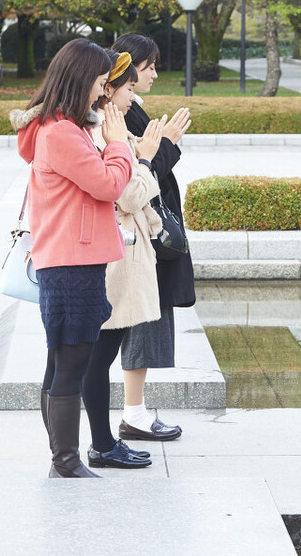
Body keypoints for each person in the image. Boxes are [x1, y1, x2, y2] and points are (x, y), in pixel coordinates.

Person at [10, 38, 135, 478]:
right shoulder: (61, 132)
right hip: (70, 261)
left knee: (62, 359)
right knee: (72, 361)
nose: (103, 93)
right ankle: (65, 461)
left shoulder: (63, 127)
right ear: (80, 79)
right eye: (100, 83)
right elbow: (107, 185)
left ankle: (63, 459)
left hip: (70, 257)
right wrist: (119, 145)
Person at [80, 51, 167, 469]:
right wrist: (148, 156)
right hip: (116, 254)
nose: (133, 97)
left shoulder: (105, 128)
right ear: (107, 89)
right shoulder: (98, 133)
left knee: (101, 350)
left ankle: (103, 442)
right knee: (100, 352)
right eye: (127, 88)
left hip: (122, 251)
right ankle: (101, 444)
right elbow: (127, 193)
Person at [110, 33, 192, 442]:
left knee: (143, 321)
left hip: (144, 234)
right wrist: (170, 145)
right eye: (149, 67)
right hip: (137, 238)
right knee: (138, 322)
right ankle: (134, 413)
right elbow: (139, 176)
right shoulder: (118, 115)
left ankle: (134, 412)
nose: (155, 75)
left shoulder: (130, 110)